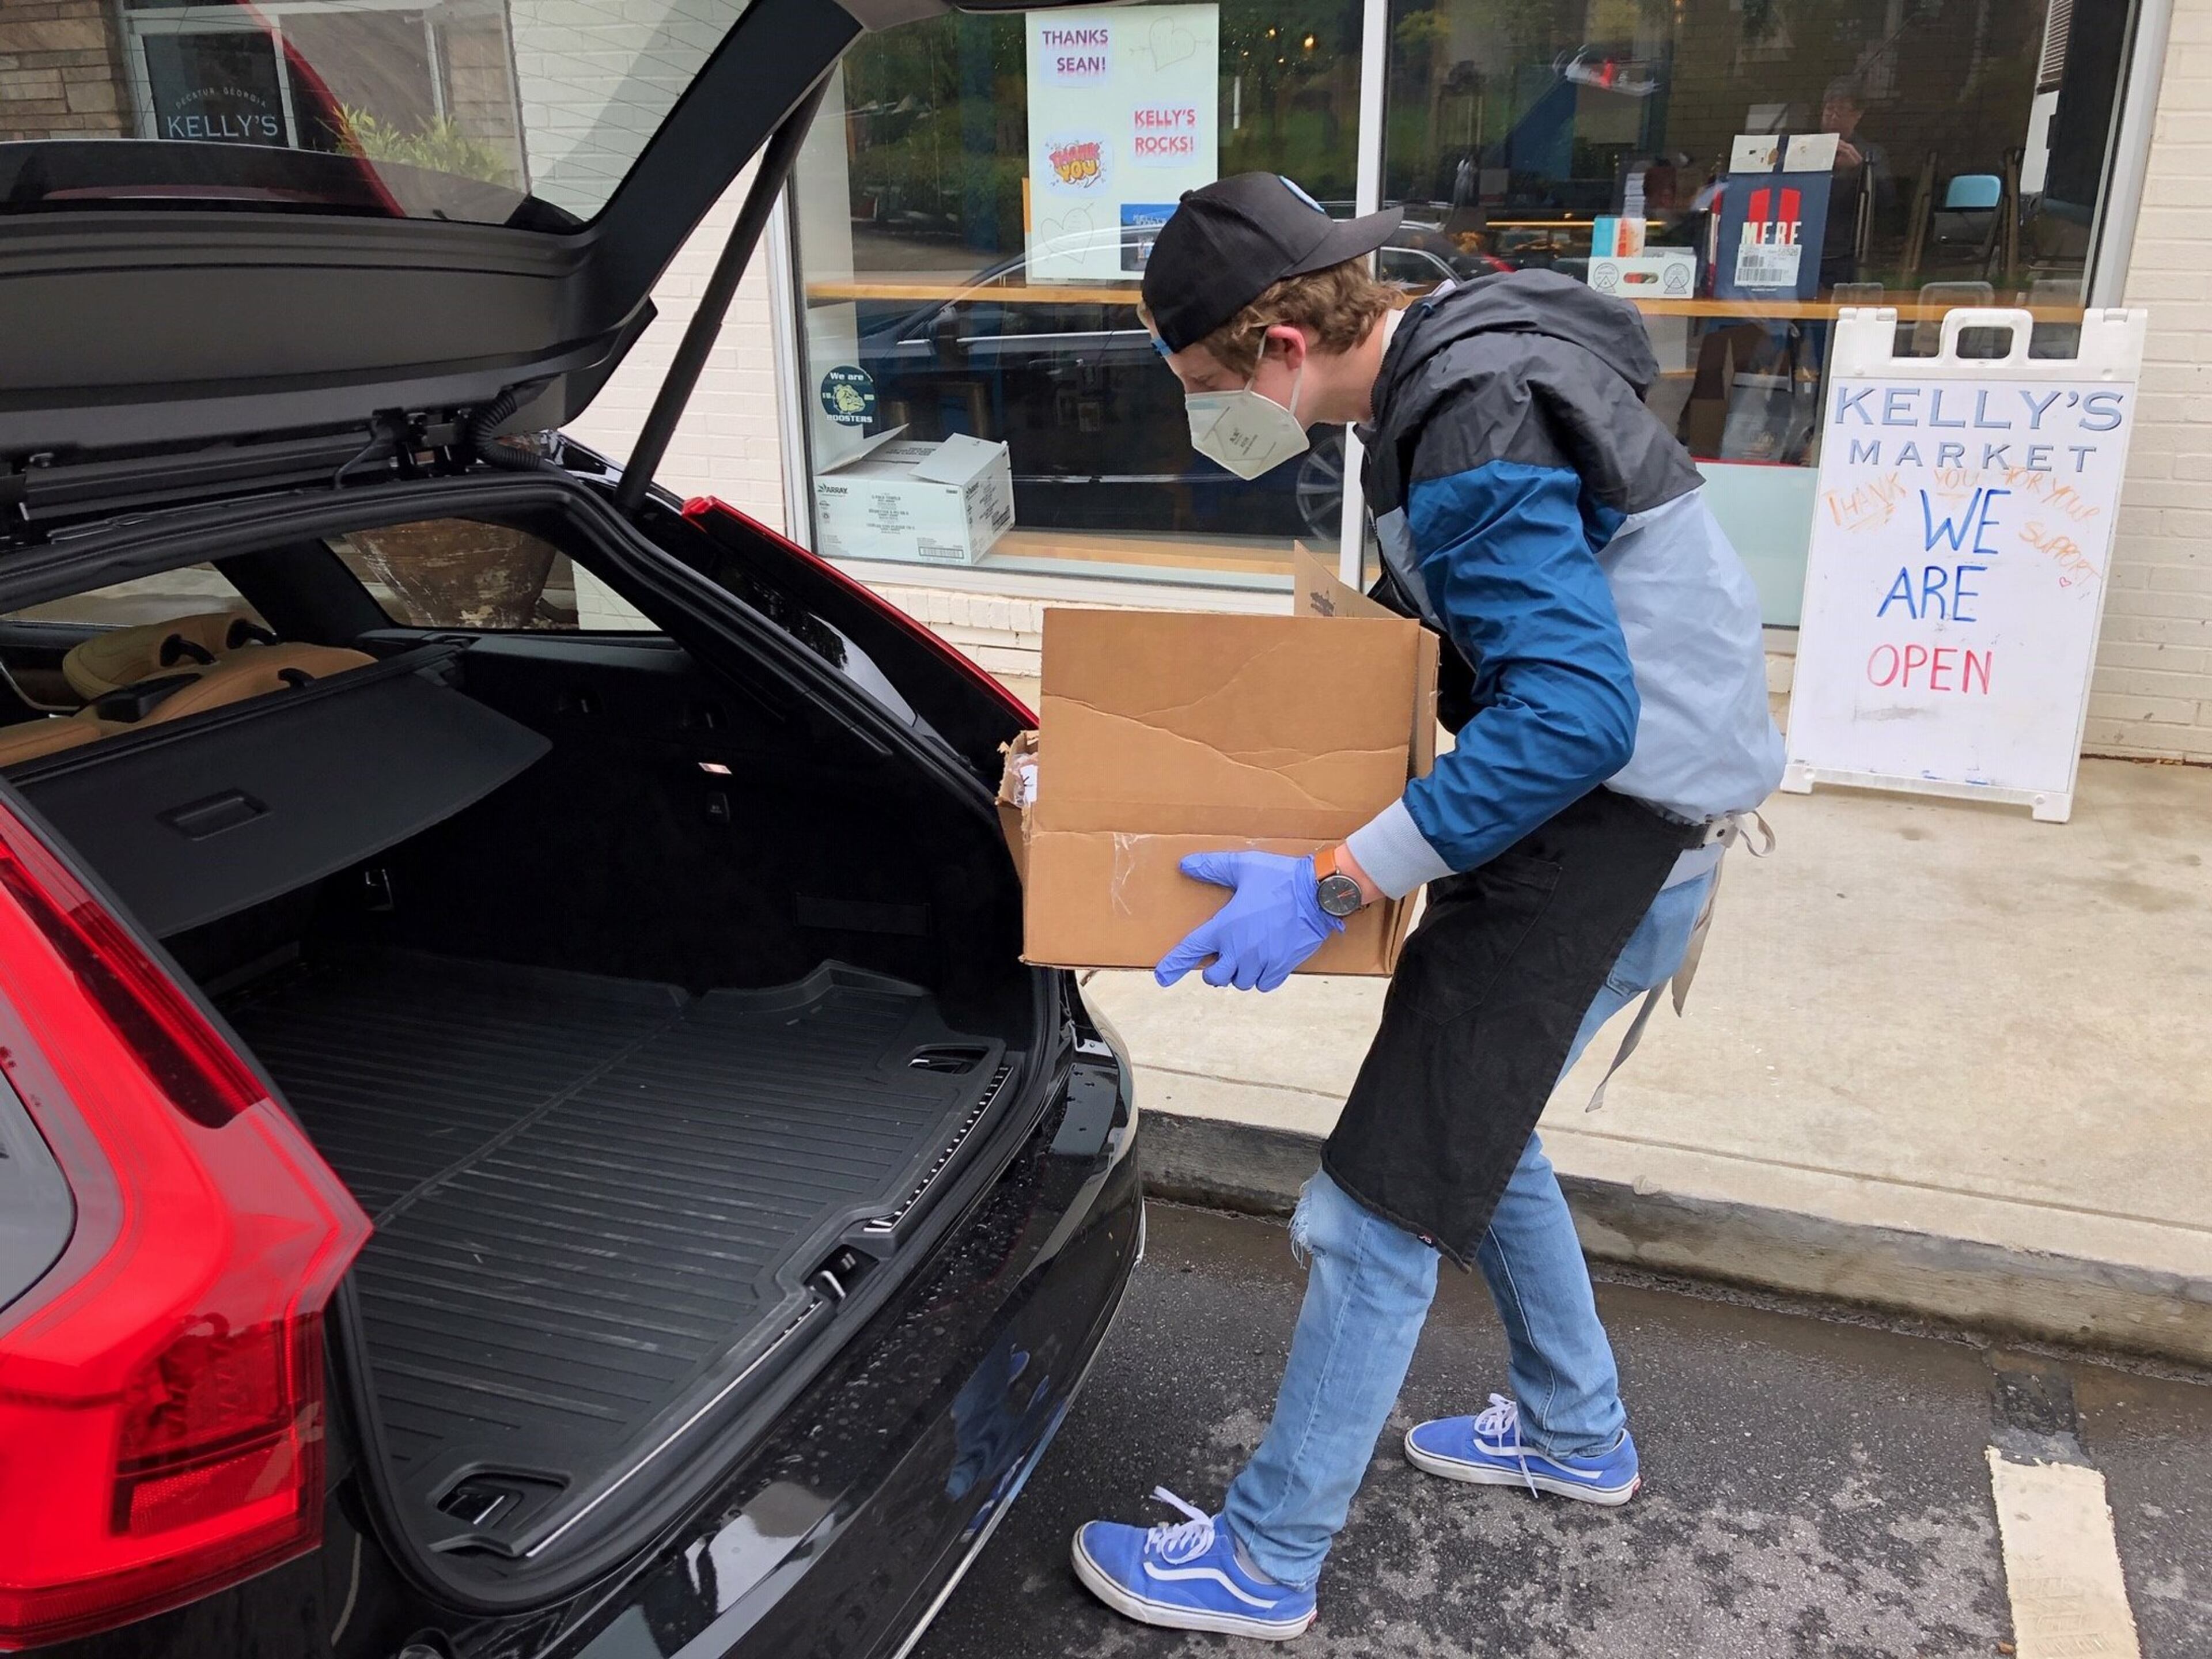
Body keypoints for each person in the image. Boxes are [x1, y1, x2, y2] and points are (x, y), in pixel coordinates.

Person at [1069, 173, 1784, 1641]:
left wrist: (1337, 877)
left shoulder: (1467, 426)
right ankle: (1577, 1435)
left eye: (1211, 385)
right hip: (1652, 822)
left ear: (1278, 346)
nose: (1216, 415)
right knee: (1483, 1132)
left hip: (1607, 839)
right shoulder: (1464, 348)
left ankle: (1265, 1562)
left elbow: (1575, 714)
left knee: (1371, 1206)